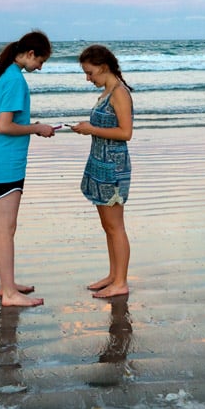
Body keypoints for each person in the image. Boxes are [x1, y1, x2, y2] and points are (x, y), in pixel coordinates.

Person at [0, 30, 55, 307]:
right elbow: (4, 126)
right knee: (5, 227)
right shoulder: (15, 80)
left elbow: (2, 121)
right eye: (42, 61)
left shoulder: (7, 75)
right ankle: (9, 294)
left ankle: (7, 284)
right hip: (5, 161)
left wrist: (31, 126)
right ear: (31, 54)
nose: (41, 67)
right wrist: (37, 128)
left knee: (3, 227)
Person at [71, 45, 133, 299]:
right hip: (100, 162)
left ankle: (121, 281)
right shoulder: (108, 91)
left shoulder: (119, 92)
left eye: (90, 73)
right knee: (108, 226)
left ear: (103, 67)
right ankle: (113, 275)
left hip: (113, 167)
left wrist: (91, 129)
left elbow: (125, 133)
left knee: (115, 226)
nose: (88, 78)